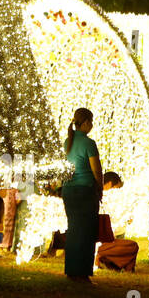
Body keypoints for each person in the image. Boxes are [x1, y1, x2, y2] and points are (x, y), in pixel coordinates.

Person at [61, 107, 103, 283]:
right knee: (86, 232)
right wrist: (99, 187)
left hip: (69, 190)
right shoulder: (88, 143)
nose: (92, 125)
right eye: (91, 122)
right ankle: (83, 272)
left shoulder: (67, 142)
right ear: (85, 122)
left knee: (73, 230)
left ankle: (71, 269)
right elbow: (96, 169)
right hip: (85, 190)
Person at [96, 172, 139, 272]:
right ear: (109, 184)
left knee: (131, 246)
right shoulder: (101, 200)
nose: (118, 191)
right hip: (102, 243)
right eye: (117, 188)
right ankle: (100, 258)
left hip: (109, 239)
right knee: (132, 246)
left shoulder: (105, 199)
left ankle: (113, 263)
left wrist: (125, 218)